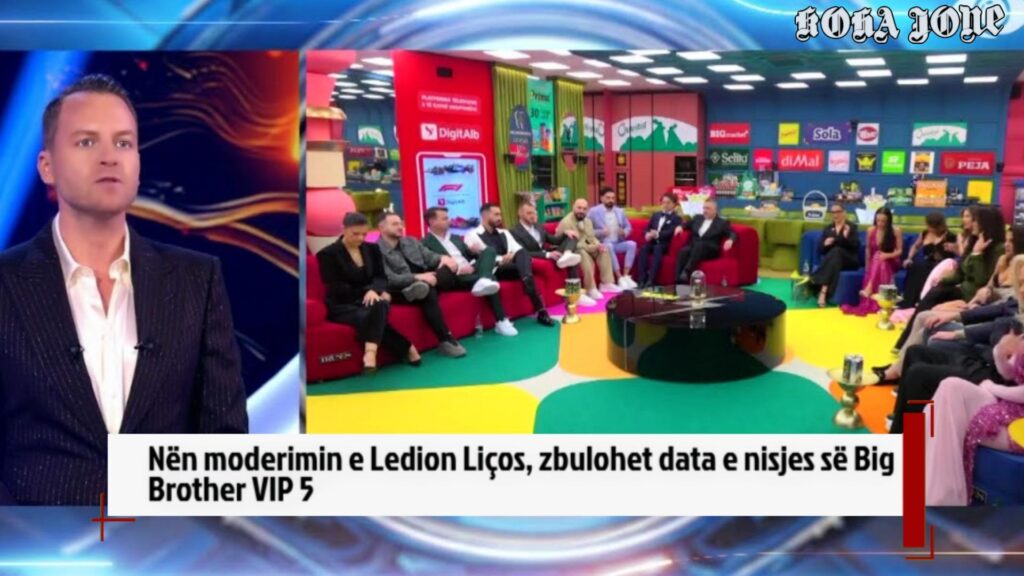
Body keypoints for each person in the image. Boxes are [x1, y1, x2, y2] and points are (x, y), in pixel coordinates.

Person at [0, 74, 248, 505]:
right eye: (86, 142)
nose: (109, 157)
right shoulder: (6, 283)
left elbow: (225, 442)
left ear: (137, 163)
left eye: (123, 143)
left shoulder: (197, 279)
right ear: (46, 166)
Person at [874, 254, 1024, 386]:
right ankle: (899, 367)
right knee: (927, 316)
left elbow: (981, 288)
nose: (1022, 288)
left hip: (984, 345)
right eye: (1021, 283)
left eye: (1011, 240)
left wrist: (958, 328)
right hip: (978, 312)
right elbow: (989, 296)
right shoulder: (1003, 263)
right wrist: (970, 304)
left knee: (930, 332)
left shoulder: (996, 254)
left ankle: (900, 372)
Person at [319, 213, 423, 372]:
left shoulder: (372, 248)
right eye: (355, 234)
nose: (361, 238)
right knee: (379, 307)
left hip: (371, 300)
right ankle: (407, 348)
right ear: (343, 229)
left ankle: (370, 352)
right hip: (344, 304)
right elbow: (336, 287)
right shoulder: (328, 254)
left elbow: (381, 276)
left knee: (378, 305)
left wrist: (376, 290)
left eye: (364, 234)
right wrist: (367, 291)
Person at [892, 207, 1005, 351]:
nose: (972, 224)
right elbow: (960, 272)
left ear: (986, 223)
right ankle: (905, 344)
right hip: (962, 289)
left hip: (974, 295)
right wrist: (942, 280)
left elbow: (981, 279)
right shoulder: (974, 241)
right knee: (935, 290)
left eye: (975, 220)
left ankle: (906, 344)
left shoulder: (998, 249)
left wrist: (977, 254)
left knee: (935, 294)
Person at [375, 213, 482, 356]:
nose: (400, 227)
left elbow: (430, 257)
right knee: (428, 291)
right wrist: (417, 277)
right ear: (381, 227)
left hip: (427, 280)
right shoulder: (375, 250)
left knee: (448, 268)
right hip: (401, 288)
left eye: (401, 223)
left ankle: (427, 286)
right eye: (395, 224)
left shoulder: (411, 241)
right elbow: (388, 278)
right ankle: (446, 339)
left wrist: (443, 258)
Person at [925, 354, 1024, 506]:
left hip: (1018, 426)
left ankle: (941, 496)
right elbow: (1009, 373)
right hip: (1008, 407)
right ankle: (927, 483)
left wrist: (992, 387)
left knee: (950, 406)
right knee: (950, 386)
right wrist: (1000, 352)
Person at [421, 206, 518, 336]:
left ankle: (483, 279)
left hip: (471, 269)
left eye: (448, 218)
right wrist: (459, 269)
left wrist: (474, 252)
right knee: (492, 278)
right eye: (445, 218)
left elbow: (469, 255)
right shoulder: (424, 244)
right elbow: (431, 266)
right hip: (455, 276)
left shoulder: (455, 237)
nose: (449, 221)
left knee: (489, 250)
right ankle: (501, 320)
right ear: (432, 221)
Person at [464, 203, 556, 327]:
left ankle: (528, 281)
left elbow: (517, 249)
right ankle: (541, 310)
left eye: (500, 214)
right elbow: (481, 257)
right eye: (496, 214)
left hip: (511, 266)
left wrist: (512, 254)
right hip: (494, 270)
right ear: (485, 215)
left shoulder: (504, 232)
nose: (500, 218)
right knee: (525, 266)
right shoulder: (472, 234)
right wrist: (502, 258)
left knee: (523, 254)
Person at [511, 202, 596, 305]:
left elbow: (553, 240)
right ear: (520, 213)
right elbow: (523, 253)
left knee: (572, 239)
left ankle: (567, 254)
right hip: (539, 257)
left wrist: (565, 233)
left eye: (534, 213)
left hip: (550, 253)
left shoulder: (538, 226)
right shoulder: (514, 232)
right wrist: (547, 255)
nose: (533, 216)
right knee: (570, 260)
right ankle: (575, 294)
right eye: (529, 213)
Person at [840, 207, 903, 316]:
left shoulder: (896, 230)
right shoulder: (870, 230)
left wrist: (887, 255)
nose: (880, 224)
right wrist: (867, 267)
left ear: (889, 221)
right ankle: (873, 291)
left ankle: (869, 288)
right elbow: (868, 249)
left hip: (892, 260)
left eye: (883, 221)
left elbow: (899, 251)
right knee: (878, 258)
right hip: (877, 262)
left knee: (879, 257)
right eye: (878, 220)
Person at [557, 198, 620, 302]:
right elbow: (572, 243)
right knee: (583, 254)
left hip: (586, 246)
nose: (581, 211)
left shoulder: (587, 221)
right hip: (572, 249)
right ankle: (590, 288)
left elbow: (591, 237)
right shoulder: (566, 222)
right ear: (573, 207)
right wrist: (592, 247)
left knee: (604, 250)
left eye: (584, 209)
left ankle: (606, 283)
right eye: (579, 208)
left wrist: (598, 245)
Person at [898, 211, 958, 310]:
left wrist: (949, 250)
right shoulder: (925, 233)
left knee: (923, 269)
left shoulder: (950, 237)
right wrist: (909, 258)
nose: (928, 228)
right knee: (915, 266)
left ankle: (922, 302)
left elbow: (955, 255)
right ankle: (909, 301)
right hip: (927, 263)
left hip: (941, 266)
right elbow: (915, 246)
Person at [808, 204, 860, 308]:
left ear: (844, 212)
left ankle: (815, 279)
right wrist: (825, 244)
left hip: (849, 260)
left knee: (836, 251)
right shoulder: (828, 228)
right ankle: (824, 291)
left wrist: (845, 237)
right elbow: (820, 249)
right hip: (834, 262)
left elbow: (855, 246)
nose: (835, 215)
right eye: (833, 212)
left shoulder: (851, 227)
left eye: (838, 212)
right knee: (835, 255)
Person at [674, 199, 736, 283]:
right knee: (683, 251)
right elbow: (686, 224)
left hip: (710, 250)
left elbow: (732, 233)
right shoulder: (697, 218)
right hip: (694, 247)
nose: (705, 211)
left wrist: (730, 240)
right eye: (704, 208)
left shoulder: (722, 223)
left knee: (699, 245)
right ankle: (677, 280)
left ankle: (687, 271)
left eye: (708, 208)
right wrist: (680, 227)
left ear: (715, 210)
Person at [588, 187, 638, 289]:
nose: (611, 200)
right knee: (609, 246)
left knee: (632, 244)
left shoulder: (619, 211)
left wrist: (624, 232)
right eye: (608, 198)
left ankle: (626, 276)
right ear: (601, 198)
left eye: (613, 198)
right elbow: (587, 231)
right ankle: (619, 278)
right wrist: (601, 232)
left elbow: (629, 227)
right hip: (603, 243)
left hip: (617, 243)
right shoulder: (593, 212)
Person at [635, 193, 683, 288]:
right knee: (643, 249)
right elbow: (647, 228)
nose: (665, 205)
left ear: (674, 204)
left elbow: (670, 232)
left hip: (664, 244)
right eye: (663, 202)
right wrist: (647, 234)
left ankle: (651, 280)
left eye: (668, 203)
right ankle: (641, 279)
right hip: (652, 241)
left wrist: (657, 234)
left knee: (658, 249)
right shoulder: (656, 215)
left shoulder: (676, 218)